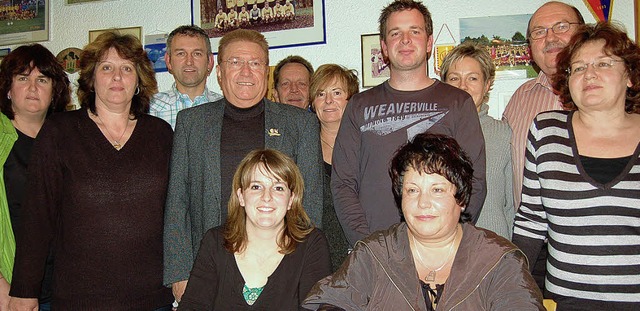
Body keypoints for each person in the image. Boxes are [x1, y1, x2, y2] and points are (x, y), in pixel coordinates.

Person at [7, 32, 173, 310]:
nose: (117, 77)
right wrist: (24, 290)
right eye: (106, 67)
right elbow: (37, 216)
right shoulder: (60, 131)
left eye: (127, 68)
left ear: (139, 81)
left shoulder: (160, 134)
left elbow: (177, 213)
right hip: (79, 298)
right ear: (92, 79)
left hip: (152, 297)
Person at [163, 29, 323, 304]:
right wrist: (179, 272)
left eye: (255, 63)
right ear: (220, 71)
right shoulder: (191, 123)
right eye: (235, 62)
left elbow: (310, 205)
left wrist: (302, 271)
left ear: (267, 72)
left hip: (281, 268)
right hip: (209, 271)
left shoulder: (300, 124)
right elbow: (178, 200)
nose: (246, 71)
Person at [304, 133, 543, 310]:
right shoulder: (375, 254)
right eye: (412, 190)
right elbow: (330, 301)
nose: (423, 202)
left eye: (437, 190)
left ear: (461, 198)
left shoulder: (498, 260)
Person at [332, 0, 486, 246]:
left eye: (414, 31)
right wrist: (367, 246)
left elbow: (474, 182)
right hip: (376, 250)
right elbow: (343, 184)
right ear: (384, 46)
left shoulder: (458, 102)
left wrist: (447, 241)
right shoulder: (359, 106)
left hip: (440, 250)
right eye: (395, 33)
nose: (405, 40)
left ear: (428, 43)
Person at [512, 22, 640, 310]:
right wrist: (509, 283)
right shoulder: (546, 131)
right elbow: (532, 221)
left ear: (629, 75)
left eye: (603, 63)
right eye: (578, 68)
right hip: (566, 301)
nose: (589, 74)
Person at [179, 149, 331, 310]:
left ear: (291, 200)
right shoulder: (215, 242)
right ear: (241, 196)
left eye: (278, 188)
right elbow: (192, 306)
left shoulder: (312, 244)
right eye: (256, 186)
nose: (267, 197)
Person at [501, 1, 585, 292]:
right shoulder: (519, 99)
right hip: (531, 246)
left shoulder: (608, 95)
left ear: (583, 34)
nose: (550, 38)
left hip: (593, 249)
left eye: (561, 27)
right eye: (539, 31)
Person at [0, 44, 70, 311]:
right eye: (22, 78)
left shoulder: (67, 140)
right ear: (8, 88)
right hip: (11, 286)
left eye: (42, 79)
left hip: (64, 286)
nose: (32, 87)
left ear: (54, 91)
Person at [440, 43, 514, 239]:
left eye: (472, 78)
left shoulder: (504, 134)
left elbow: (512, 206)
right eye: (454, 78)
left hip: (493, 247)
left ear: (487, 84)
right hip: (441, 251)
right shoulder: (432, 135)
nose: (463, 86)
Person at [309, 64, 359, 271]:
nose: (328, 100)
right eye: (321, 94)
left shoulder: (365, 145)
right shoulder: (303, 147)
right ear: (313, 102)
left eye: (337, 93)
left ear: (351, 99)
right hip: (316, 253)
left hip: (358, 251)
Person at [150, 25, 223, 129]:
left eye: (197, 54)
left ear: (210, 62)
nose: (189, 62)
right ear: (168, 61)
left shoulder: (226, 110)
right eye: (181, 54)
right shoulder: (149, 110)